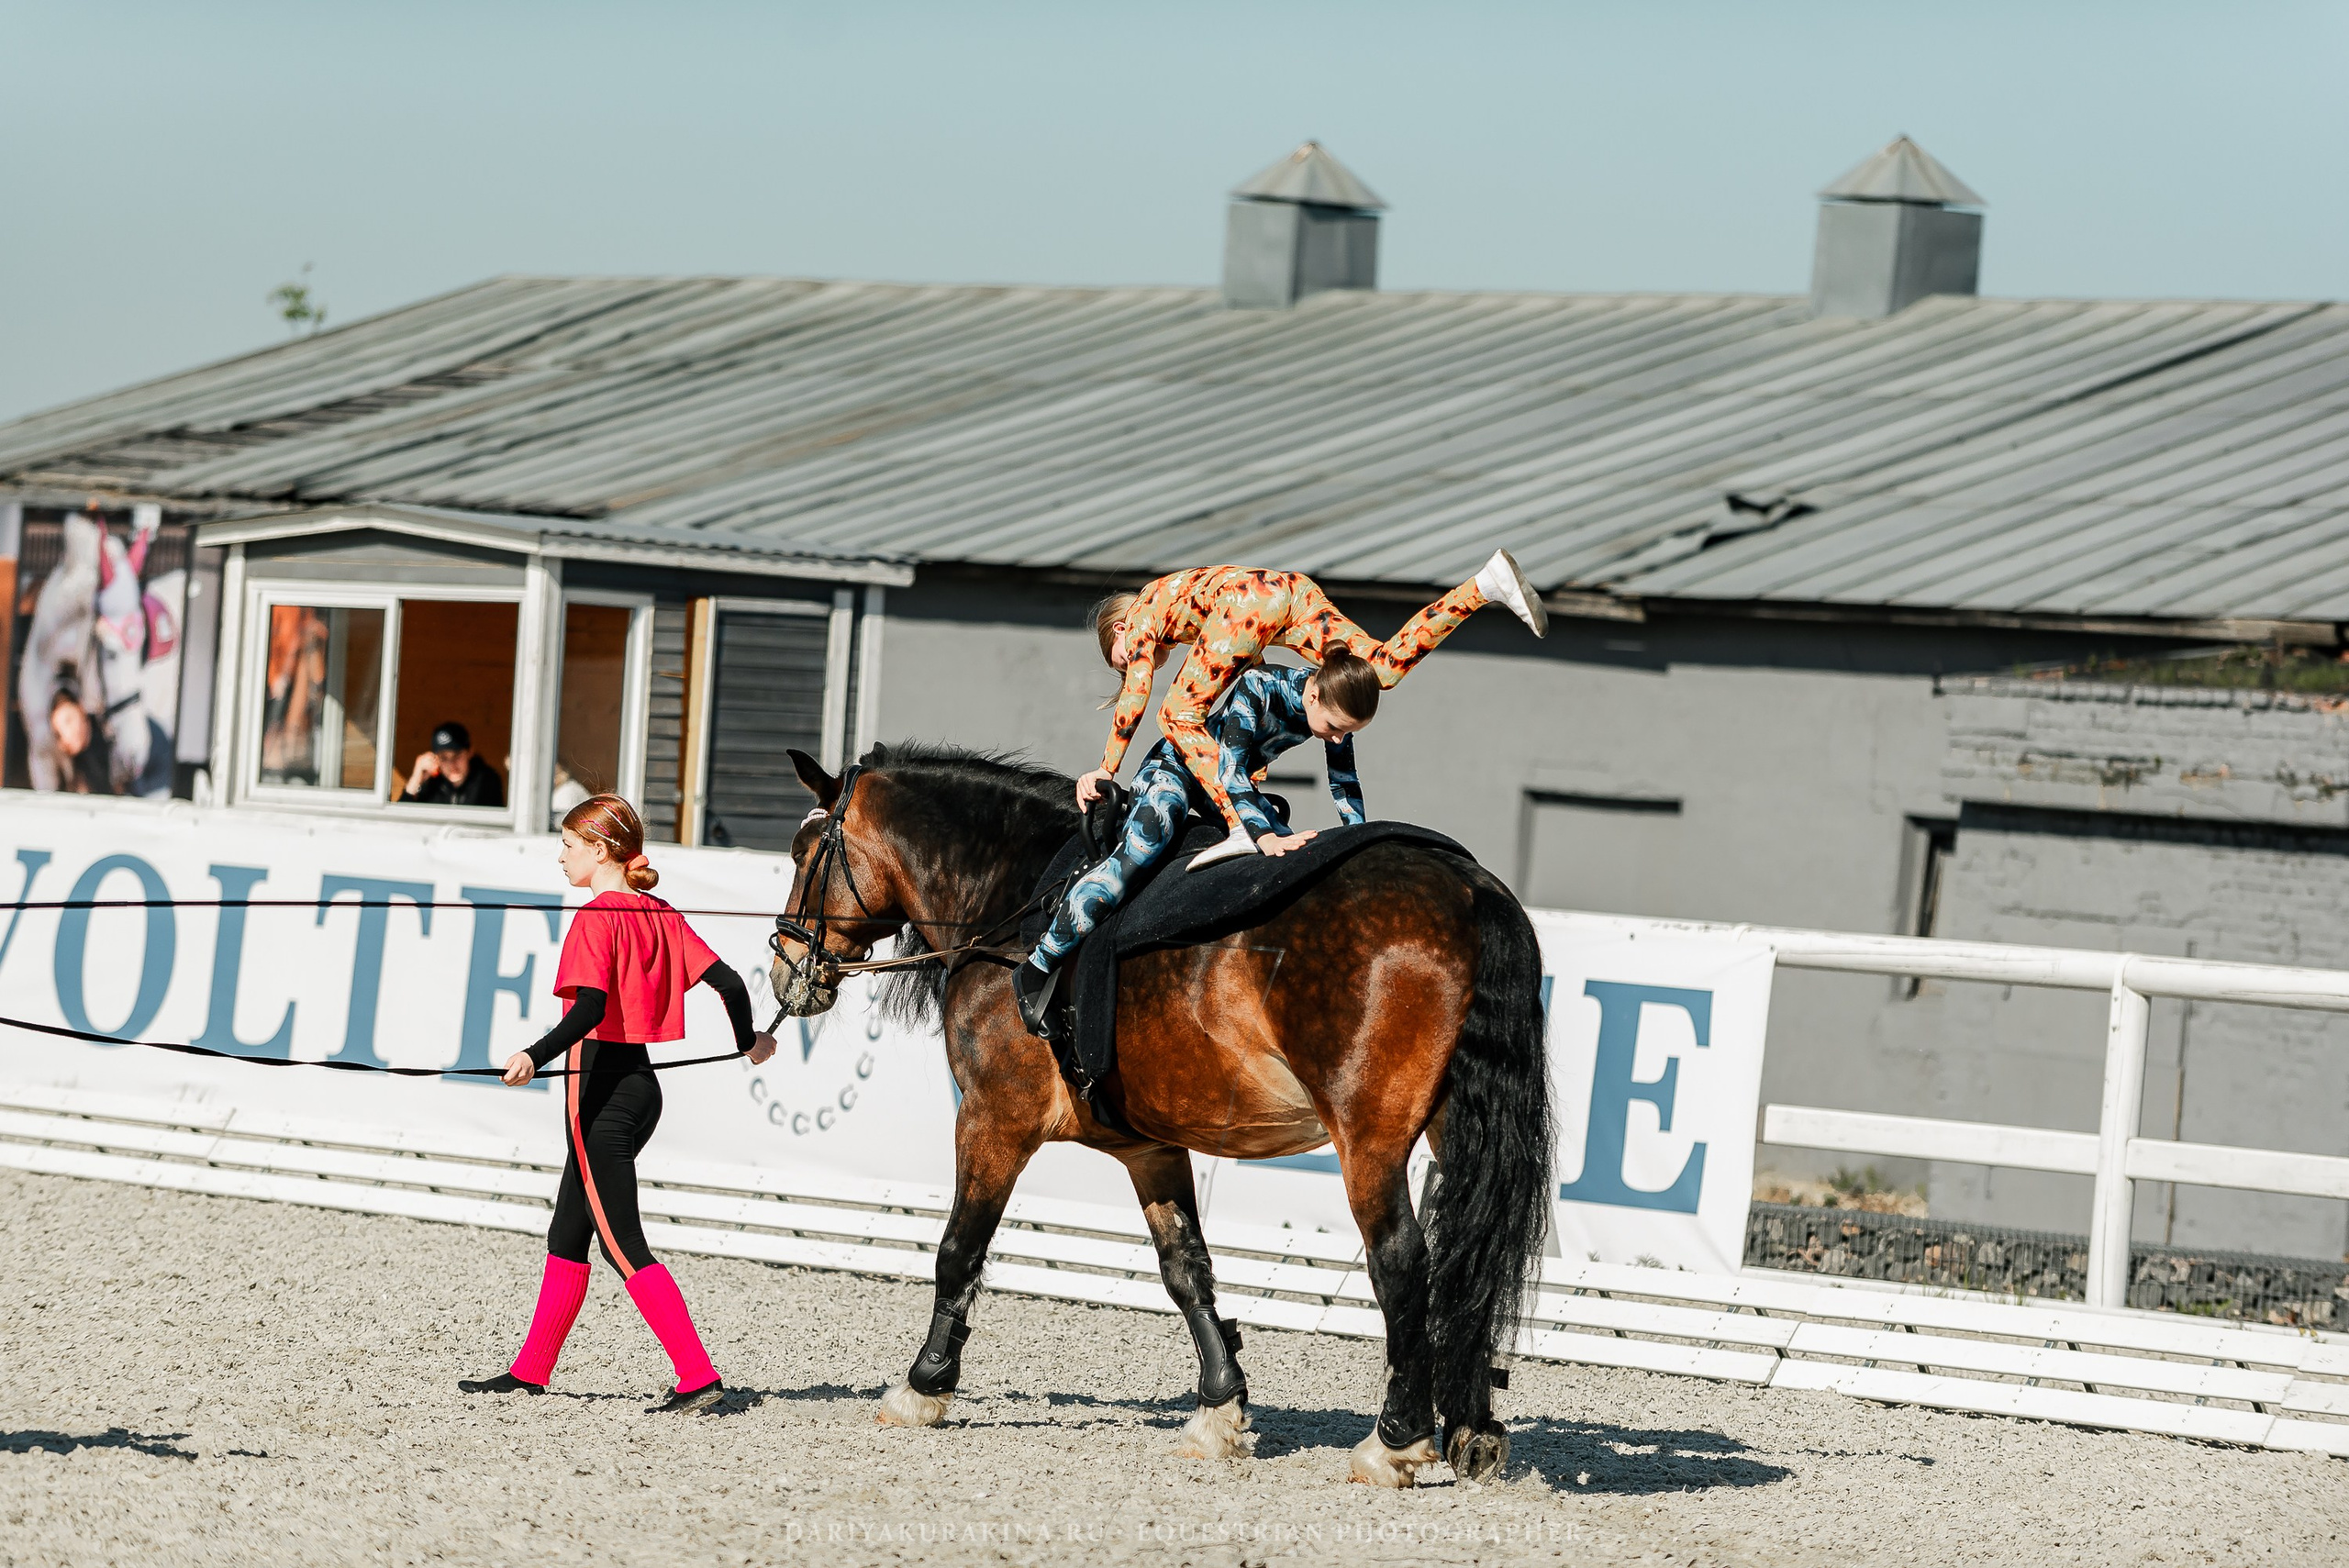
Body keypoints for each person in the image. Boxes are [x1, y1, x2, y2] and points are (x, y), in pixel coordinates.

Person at [459, 794, 778, 1411]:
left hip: (601, 1092)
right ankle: (530, 1371)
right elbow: (731, 982)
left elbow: (591, 1007)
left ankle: (699, 1378)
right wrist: (750, 1042)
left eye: (569, 845)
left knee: (621, 1243)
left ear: (601, 850)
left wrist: (533, 1053)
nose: (561, 856)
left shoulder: (596, 917)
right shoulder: (660, 912)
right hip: (639, 1088)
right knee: (567, 1231)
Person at [1077, 550, 1547, 870]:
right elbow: (1246, 681)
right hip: (1287, 591)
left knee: (1176, 714)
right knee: (1375, 671)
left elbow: (1138, 695)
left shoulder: (1140, 616)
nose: (1132, 666)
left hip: (1249, 604)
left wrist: (1105, 768)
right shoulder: (1181, 608)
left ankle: (1241, 822)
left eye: (1117, 658)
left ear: (1119, 630)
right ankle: (1483, 586)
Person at [1013, 651, 1378, 1036]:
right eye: (1335, 728)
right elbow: (1231, 767)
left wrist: (1354, 838)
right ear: (1314, 696)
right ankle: (1038, 966)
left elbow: (1344, 781)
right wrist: (1263, 834)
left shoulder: (1331, 709)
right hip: (1178, 769)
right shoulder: (1260, 687)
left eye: (1347, 732)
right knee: (1146, 846)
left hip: (1220, 789)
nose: (1338, 738)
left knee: (1290, 847)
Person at [402, 720, 506, 807]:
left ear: (470, 752)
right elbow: (399, 824)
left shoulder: (485, 780)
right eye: (444, 758)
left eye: (457, 756)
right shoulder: (430, 783)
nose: (452, 764)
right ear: (436, 759)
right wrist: (415, 780)